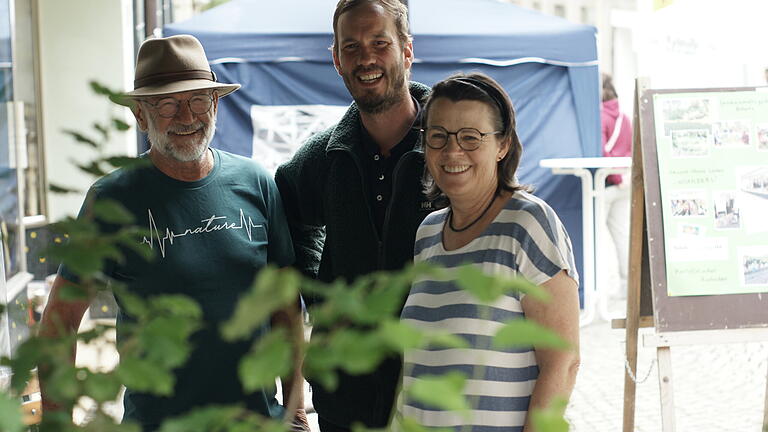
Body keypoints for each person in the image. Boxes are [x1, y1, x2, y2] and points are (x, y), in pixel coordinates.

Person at [39, 35, 308, 431]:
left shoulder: (255, 183)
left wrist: (295, 411)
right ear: (140, 116)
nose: (186, 117)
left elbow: (286, 309)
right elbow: (58, 323)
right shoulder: (112, 200)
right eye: (167, 104)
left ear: (215, 104)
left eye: (198, 100)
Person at [274, 0, 433, 430]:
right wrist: (322, 292)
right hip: (347, 396)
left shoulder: (448, 146)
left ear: (406, 50)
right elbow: (284, 223)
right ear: (336, 59)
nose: (366, 58)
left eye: (379, 42)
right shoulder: (323, 157)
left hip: (436, 387)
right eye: (352, 46)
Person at [399, 73, 581, 431]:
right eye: (438, 136)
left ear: (502, 144)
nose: (452, 151)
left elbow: (563, 362)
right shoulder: (429, 232)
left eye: (471, 137)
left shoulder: (528, 223)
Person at [600, 73, 632, 297]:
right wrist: (624, 177)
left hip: (608, 184)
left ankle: (598, 288)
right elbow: (630, 149)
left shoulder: (600, 116)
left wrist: (617, 177)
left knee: (595, 237)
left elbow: (602, 152)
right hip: (625, 184)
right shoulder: (623, 116)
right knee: (622, 236)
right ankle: (626, 286)